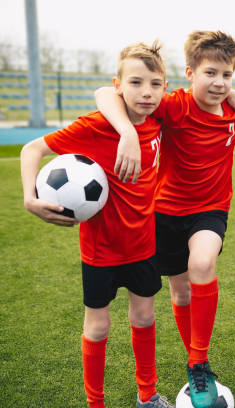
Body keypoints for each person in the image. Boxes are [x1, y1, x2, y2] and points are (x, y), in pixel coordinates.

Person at [93, 30, 235, 408]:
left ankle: (198, 361)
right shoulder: (173, 105)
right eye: (210, 73)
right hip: (165, 210)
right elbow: (106, 93)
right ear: (190, 72)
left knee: (202, 263)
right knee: (180, 290)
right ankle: (194, 358)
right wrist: (126, 132)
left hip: (210, 209)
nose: (219, 83)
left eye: (227, 75)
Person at [20, 41, 173, 408]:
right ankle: (95, 403)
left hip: (143, 245)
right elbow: (32, 149)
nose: (146, 92)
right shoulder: (94, 126)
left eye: (156, 84)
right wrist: (29, 197)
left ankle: (147, 396)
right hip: (100, 251)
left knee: (145, 316)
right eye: (136, 83)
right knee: (98, 326)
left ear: (165, 88)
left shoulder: (159, 119)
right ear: (119, 85)